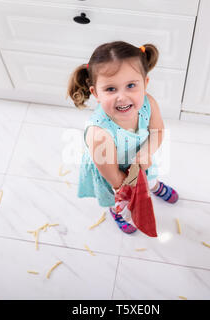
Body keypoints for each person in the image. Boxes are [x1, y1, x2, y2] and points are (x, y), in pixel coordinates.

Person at [67, 41, 179, 234]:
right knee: (116, 198)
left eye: (131, 85)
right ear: (96, 93)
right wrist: (129, 191)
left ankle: (154, 185)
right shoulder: (99, 134)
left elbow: (157, 131)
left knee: (149, 177)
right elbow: (116, 180)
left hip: (141, 160)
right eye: (111, 89)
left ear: (145, 83)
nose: (122, 97)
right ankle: (117, 211)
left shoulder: (148, 103)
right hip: (113, 173)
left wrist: (146, 152)